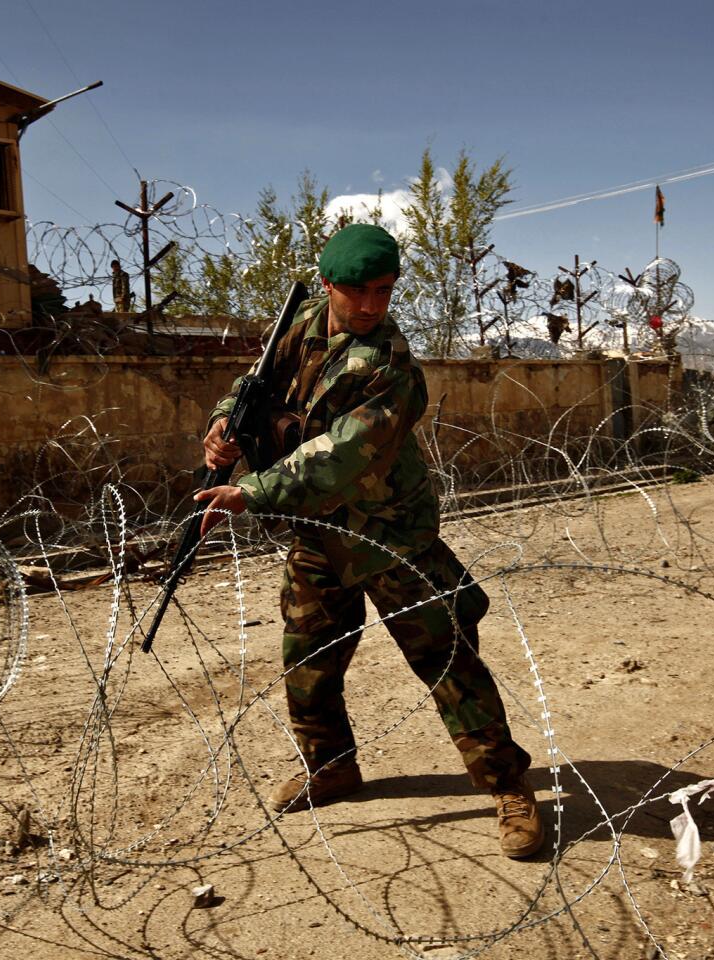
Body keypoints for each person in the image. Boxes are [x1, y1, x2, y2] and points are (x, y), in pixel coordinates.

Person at [192, 223, 544, 859]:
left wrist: (253, 493)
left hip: (388, 535)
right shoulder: (297, 326)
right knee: (307, 659)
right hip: (319, 531)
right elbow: (251, 384)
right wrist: (223, 424)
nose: (372, 306)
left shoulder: (392, 367)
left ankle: (508, 786)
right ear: (328, 284)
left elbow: (343, 455)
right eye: (358, 292)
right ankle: (331, 766)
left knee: (447, 662)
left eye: (383, 292)